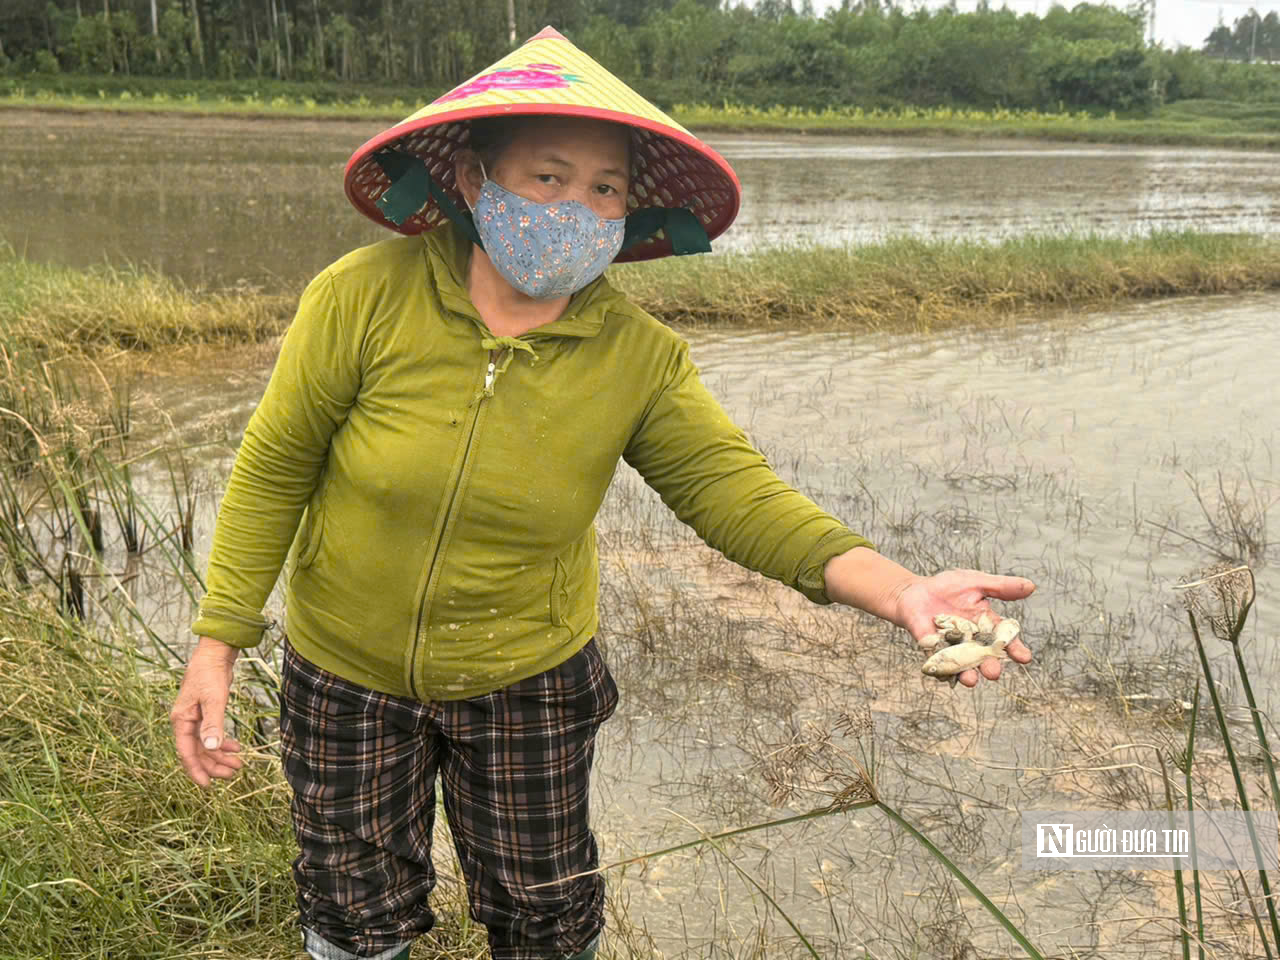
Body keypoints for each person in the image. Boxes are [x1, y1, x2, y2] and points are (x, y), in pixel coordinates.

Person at [169, 27, 1034, 960]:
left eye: (605, 189)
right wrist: (219, 641)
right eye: (548, 177)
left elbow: (736, 495)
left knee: (545, 913)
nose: (576, 206)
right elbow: (275, 465)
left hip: (528, 683)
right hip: (344, 676)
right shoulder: (362, 296)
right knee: (351, 909)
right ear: (472, 178)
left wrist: (900, 588)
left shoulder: (638, 357)